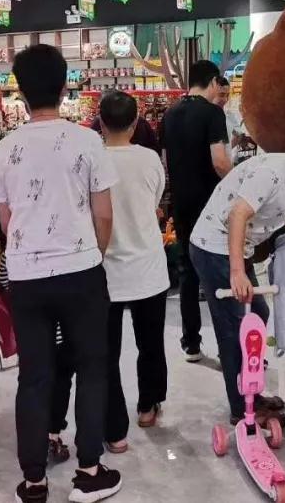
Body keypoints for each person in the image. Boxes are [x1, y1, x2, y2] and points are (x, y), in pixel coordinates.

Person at [0, 44, 121, 503]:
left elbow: (6, 222)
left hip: (26, 275)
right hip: (81, 269)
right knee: (92, 367)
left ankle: (34, 479)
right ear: (65, 87)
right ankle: (89, 470)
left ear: (20, 91)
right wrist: (94, 252)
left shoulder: (4, 149)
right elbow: (104, 214)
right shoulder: (88, 141)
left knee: (35, 375)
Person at [188, 133, 285, 424]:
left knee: (257, 314)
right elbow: (238, 215)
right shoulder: (271, 174)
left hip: (237, 248)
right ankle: (241, 409)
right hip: (214, 248)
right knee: (236, 327)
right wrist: (237, 272)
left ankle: (253, 393)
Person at [97, 91, 169, 453]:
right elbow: (155, 200)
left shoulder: (91, 159)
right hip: (148, 266)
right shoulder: (149, 159)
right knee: (150, 343)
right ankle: (148, 406)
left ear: (99, 119)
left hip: (104, 269)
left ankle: (114, 430)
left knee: (106, 353)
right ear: (137, 121)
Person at [160, 60, 231, 362]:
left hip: (182, 202)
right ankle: (231, 343)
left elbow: (164, 162)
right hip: (211, 204)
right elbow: (219, 161)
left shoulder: (169, 113)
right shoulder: (213, 113)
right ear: (214, 82)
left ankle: (191, 342)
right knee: (223, 269)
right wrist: (239, 184)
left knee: (188, 271)